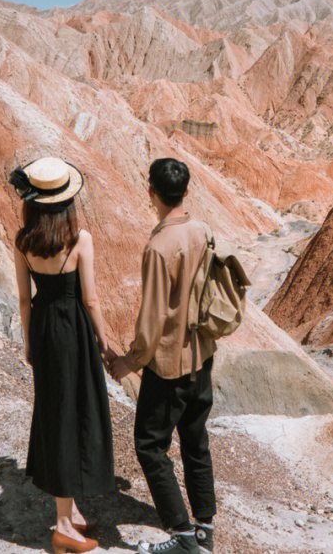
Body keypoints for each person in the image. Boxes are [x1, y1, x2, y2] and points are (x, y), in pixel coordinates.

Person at [109, 158, 217, 554]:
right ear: (186, 192)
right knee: (195, 440)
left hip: (169, 365)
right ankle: (204, 530)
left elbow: (152, 319)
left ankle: (183, 537)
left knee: (150, 445)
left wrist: (129, 362)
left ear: (151, 191)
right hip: (202, 356)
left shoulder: (158, 248)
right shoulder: (202, 230)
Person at [11, 157, 116, 554]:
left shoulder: (23, 241)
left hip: (44, 327)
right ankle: (61, 527)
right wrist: (103, 340)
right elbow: (90, 298)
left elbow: (24, 298)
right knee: (76, 413)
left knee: (56, 413)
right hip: (73, 330)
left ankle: (68, 512)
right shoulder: (79, 239)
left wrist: (28, 342)